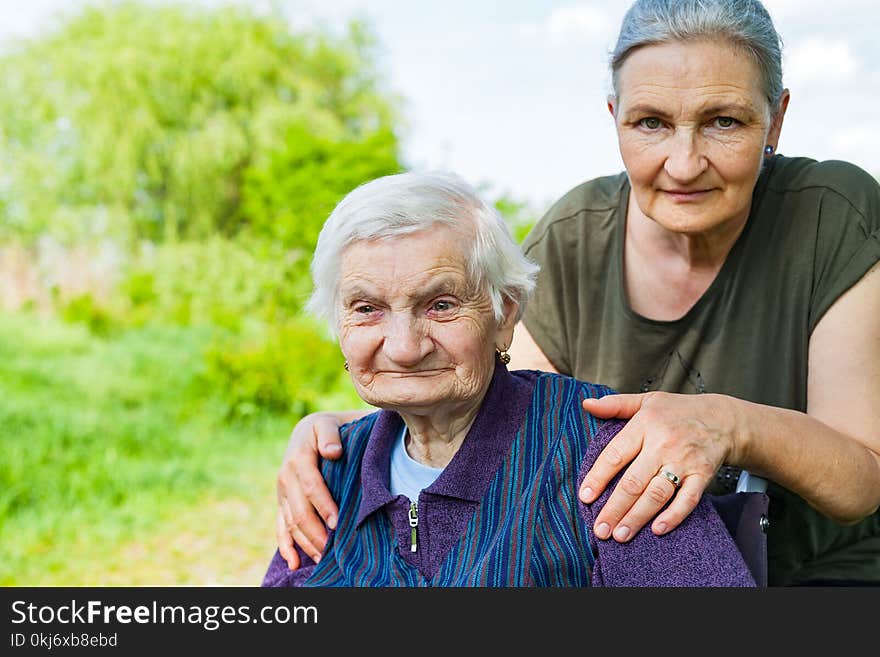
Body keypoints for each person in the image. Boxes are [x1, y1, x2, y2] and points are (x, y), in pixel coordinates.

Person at [274, 0, 880, 586]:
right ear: (614, 116)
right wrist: (346, 441)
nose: (684, 162)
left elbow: (862, 479)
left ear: (775, 117)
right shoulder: (575, 232)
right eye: (651, 123)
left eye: (724, 121)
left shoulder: (832, 212)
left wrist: (726, 424)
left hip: (823, 570)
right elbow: (496, 412)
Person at [261, 170, 756, 586]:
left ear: (505, 313)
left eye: (441, 305)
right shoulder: (330, 472)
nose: (405, 347)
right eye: (367, 309)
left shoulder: (607, 454)